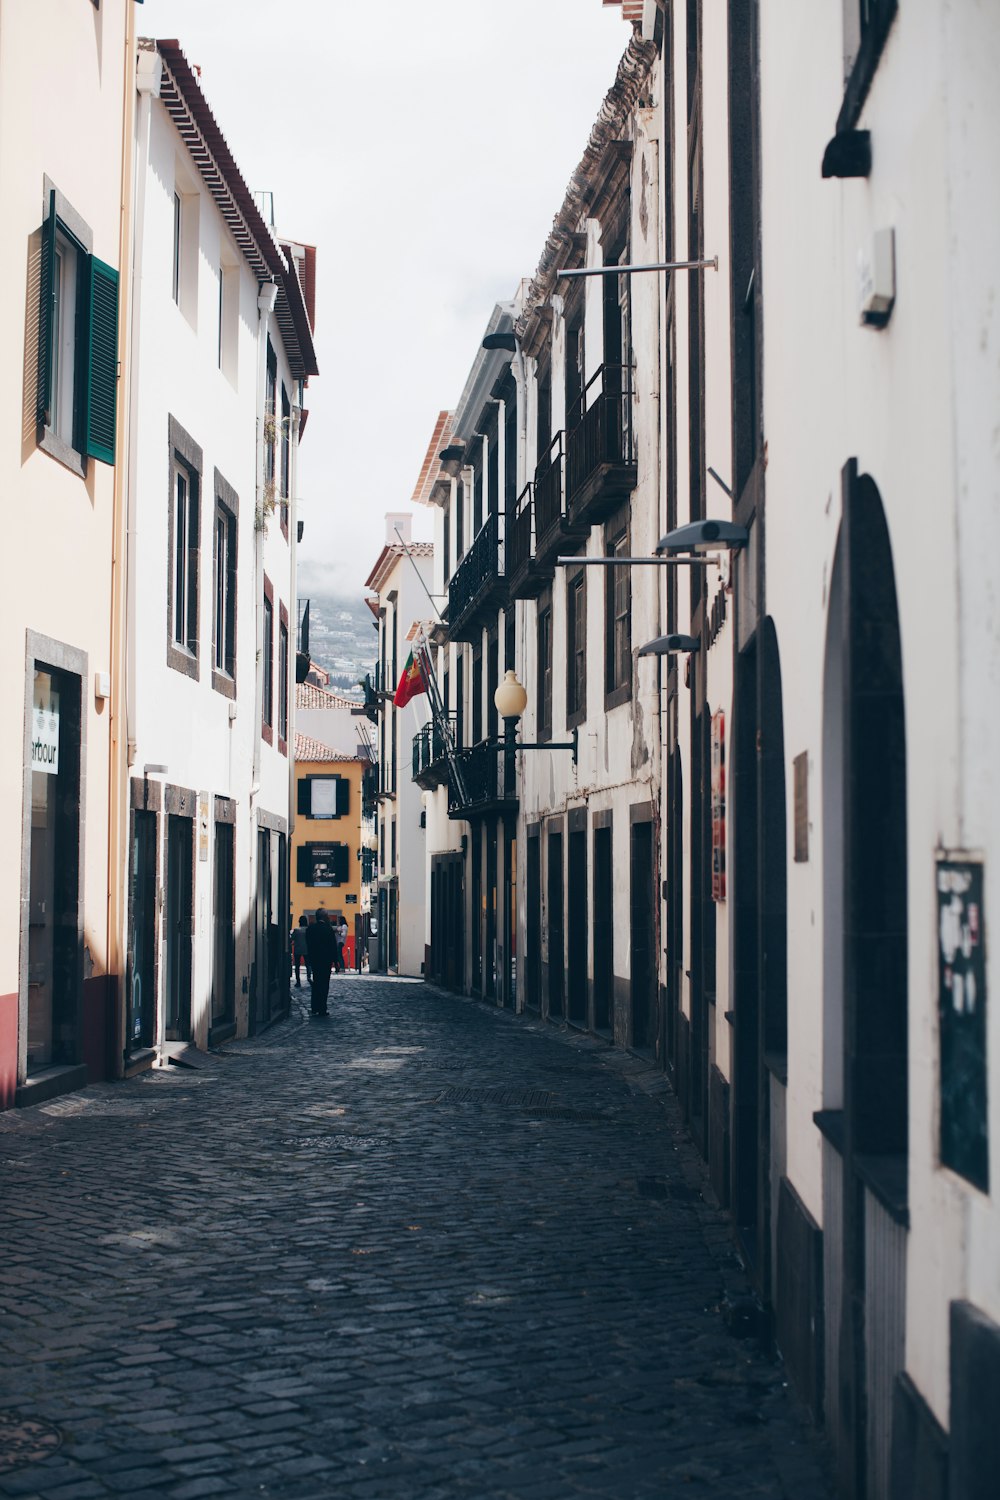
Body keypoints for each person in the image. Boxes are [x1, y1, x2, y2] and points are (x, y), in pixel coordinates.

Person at [306, 910, 336, 1016]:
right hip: (325, 961)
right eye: (327, 915)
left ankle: (314, 1007)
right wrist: (336, 962)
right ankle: (322, 1007)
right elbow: (333, 946)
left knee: (316, 982)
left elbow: (308, 944)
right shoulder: (328, 929)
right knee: (324, 984)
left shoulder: (311, 929)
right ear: (324, 917)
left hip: (315, 960)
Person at [291, 916, 310, 988]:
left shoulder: (296, 930)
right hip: (307, 949)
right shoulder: (308, 930)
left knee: (297, 966)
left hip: (297, 949)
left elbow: (292, 938)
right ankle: (309, 978)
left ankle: (298, 981)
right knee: (308, 965)